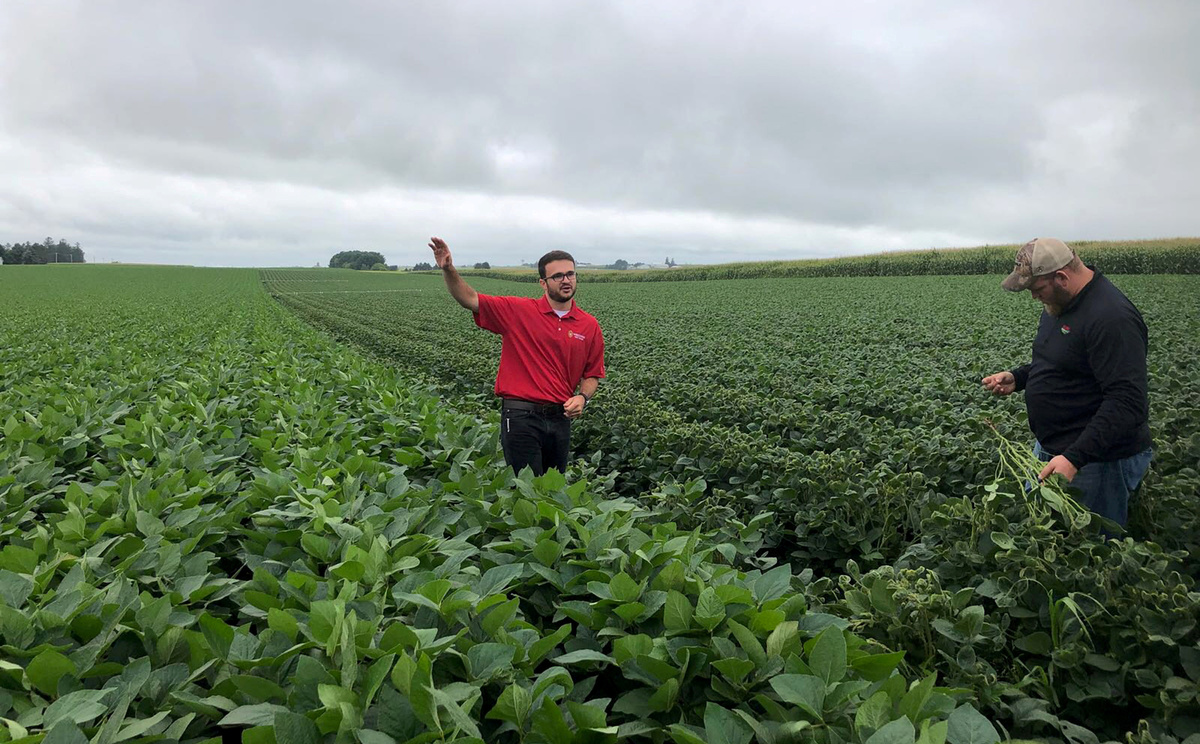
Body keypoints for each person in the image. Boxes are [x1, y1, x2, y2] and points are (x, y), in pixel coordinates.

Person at [981, 237, 1152, 528]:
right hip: (1054, 448)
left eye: (1037, 289)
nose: (1034, 297)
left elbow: (1127, 402)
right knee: (1045, 532)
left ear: (1061, 277)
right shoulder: (1059, 303)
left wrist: (1074, 458)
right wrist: (1019, 378)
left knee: (1091, 542)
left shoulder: (1111, 318)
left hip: (1097, 460)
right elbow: (1059, 362)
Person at [429, 236, 606, 477]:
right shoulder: (518, 311)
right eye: (557, 276)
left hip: (560, 417)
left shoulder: (589, 325)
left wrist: (583, 398)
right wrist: (449, 269)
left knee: (553, 488)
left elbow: (593, 374)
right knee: (526, 487)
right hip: (521, 416)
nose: (566, 280)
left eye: (570, 274)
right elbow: (470, 299)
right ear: (543, 283)